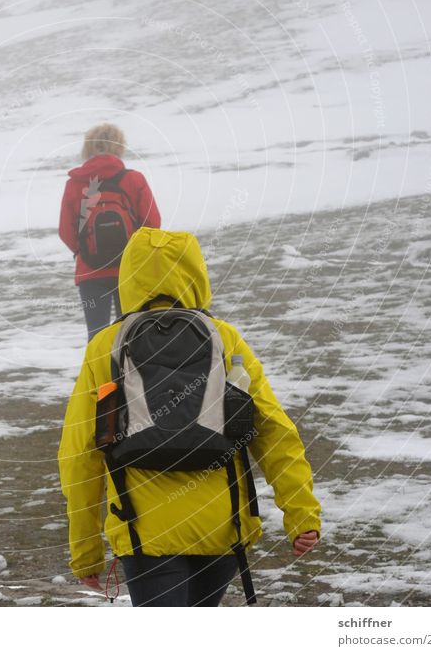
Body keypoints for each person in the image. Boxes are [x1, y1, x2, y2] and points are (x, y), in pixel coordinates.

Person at [58, 227, 321, 607]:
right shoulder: (225, 339)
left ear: (129, 276)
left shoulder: (106, 347)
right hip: (221, 528)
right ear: (196, 273)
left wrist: (85, 551)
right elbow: (274, 432)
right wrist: (301, 513)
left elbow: (80, 453)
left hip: (144, 533)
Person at [59, 124, 161, 340]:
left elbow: (65, 230)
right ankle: (130, 374)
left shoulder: (74, 184)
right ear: (119, 146)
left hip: (90, 272)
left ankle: (100, 374)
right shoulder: (134, 179)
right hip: (129, 270)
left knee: (97, 337)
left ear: (88, 148)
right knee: (133, 335)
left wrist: (84, 251)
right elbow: (152, 223)